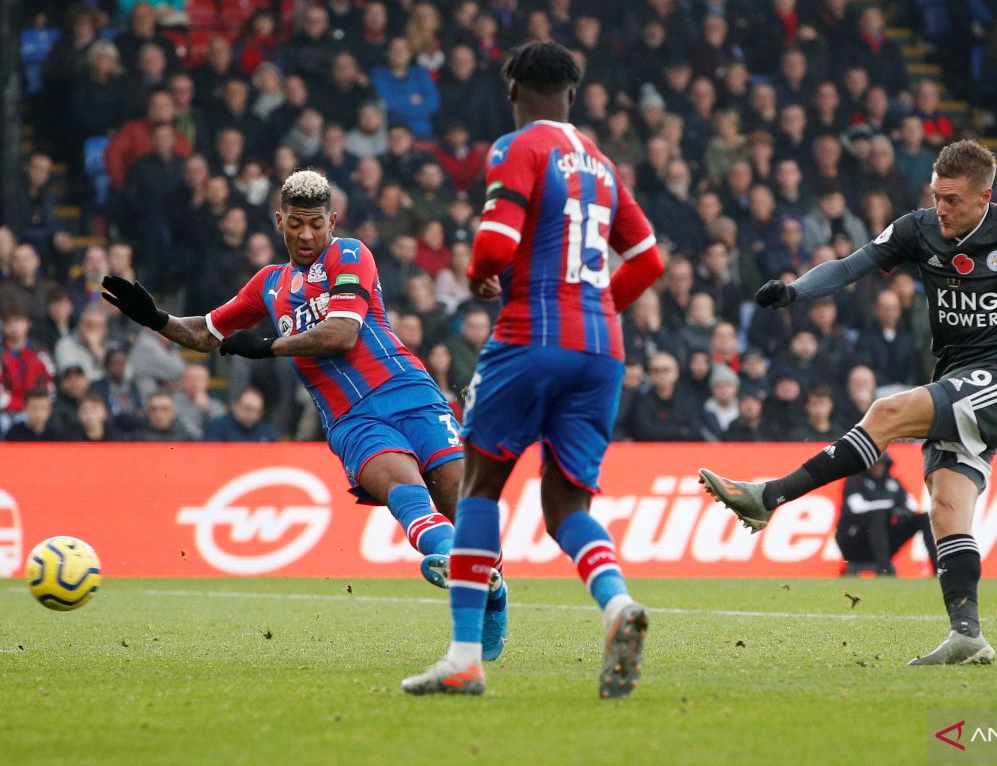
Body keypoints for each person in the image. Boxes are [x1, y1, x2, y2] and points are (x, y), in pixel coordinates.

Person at [699, 139, 997, 665]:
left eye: (953, 199)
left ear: (985, 196)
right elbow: (850, 265)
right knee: (946, 508)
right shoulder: (917, 228)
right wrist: (793, 292)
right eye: (936, 196)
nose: (941, 208)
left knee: (886, 413)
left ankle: (770, 497)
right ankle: (967, 634)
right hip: (954, 380)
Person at [101, 169, 506, 648]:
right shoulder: (268, 284)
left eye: (316, 223)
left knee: (464, 505)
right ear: (279, 221)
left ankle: (492, 590)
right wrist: (156, 319)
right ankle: (456, 560)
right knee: (403, 488)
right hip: (352, 420)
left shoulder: (350, 254)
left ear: (332, 219)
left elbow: (342, 334)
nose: (307, 234)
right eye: (296, 224)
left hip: (409, 392)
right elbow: (203, 333)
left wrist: (267, 346)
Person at [402, 41, 663, 697]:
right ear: (573, 94)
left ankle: (464, 656)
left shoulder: (518, 147)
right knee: (566, 504)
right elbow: (649, 258)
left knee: (480, 487)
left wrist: (478, 277)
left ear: (514, 90)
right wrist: (599, 307)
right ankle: (616, 606)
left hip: (531, 335)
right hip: (601, 348)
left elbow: (494, 244)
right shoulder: (600, 162)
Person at [835, 454, 936, 576]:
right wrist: (890, 508)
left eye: (881, 464)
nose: (878, 468)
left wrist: (900, 513)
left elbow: (911, 506)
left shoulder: (893, 483)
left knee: (922, 518)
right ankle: (884, 568)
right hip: (856, 541)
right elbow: (857, 507)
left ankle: (938, 569)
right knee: (878, 516)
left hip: (886, 542)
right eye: (875, 464)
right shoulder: (854, 481)